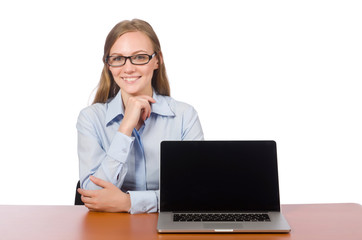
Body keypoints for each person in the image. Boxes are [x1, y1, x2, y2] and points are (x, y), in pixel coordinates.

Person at [76, 19, 204, 214]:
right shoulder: (91, 119)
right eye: (118, 58)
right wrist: (125, 128)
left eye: (140, 57)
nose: (128, 68)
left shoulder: (184, 117)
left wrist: (129, 202)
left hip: (167, 229)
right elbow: (93, 195)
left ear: (157, 60)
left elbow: (195, 193)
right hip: (109, 229)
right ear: (108, 65)